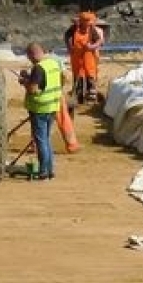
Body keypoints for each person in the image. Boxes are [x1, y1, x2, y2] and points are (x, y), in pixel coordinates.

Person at [18, 42, 63, 181]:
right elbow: (60, 81)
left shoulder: (38, 68)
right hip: (53, 106)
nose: (29, 60)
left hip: (40, 108)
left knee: (41, 140)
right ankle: (50, 170)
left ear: (32, 54)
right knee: (47, 139)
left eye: (29, 56)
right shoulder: (54, 64)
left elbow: (33, 89)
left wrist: (24, 81)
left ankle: (43, 171)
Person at [65, 10, 105, 106]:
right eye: (87, 23)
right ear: (82, 21)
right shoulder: (73, 29)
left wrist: (92, 46)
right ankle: (78, 98)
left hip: (89, 57)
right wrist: (70, 47)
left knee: (90, 77)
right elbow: (68, 38)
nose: (89, 25)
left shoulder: (92, 29)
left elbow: (99, 41)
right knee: (78, 78)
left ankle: (91, 99)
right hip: (77, 57)